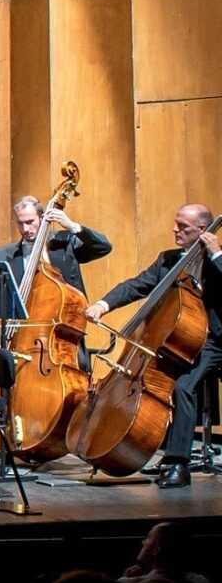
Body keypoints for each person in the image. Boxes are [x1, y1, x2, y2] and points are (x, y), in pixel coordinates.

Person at [84, 203, 222, 489]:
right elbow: (137, 285)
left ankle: (178, 464)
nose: (175, 229)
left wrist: (217, 254)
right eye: (175, 223)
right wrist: (103, 304)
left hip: (212, 341)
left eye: (183, 226)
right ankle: (147, 447)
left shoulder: (216, 261)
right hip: (177, 342)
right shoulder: (169, 259)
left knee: (183, 386)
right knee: (155, 384)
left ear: (202, 229)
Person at [0, 194, 112, 297]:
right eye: (20, 223)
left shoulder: (65, 243)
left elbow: (103, 247)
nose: (25, 229)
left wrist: (72, 226)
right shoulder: (2, 255)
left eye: (30, 222)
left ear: (42, 217)